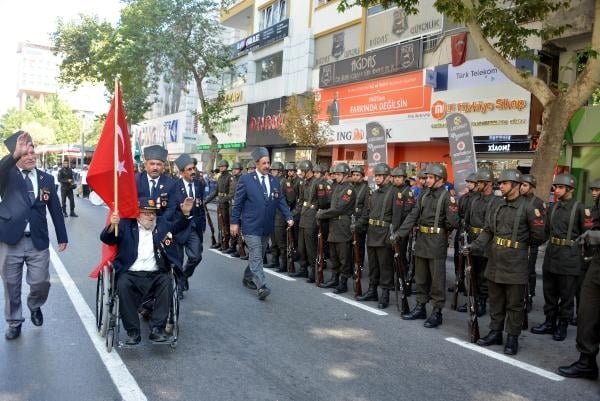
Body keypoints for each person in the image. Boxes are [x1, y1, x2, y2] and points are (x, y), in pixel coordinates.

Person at [466, 169, 547, 355]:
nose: (500, 186)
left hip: (516, 262)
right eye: (500, 183)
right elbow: (488, 231)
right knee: (495, 300)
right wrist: (474, 246)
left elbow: (539, 236)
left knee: (514, 304)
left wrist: (521, 245)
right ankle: (495, 332)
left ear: (516, 186)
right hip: (495, 259)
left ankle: (512, 337)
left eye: (504, 183)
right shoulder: (497, 206)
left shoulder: (528, 208)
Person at [0, 131, 68, 340]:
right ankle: (14, 322)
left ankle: (34, 305)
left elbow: (55, 209)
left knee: (41, 282)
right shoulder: (6, 176)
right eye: (24, 153)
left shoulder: (45, 178)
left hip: (37, 241)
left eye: (32, 152)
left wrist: (62, 236)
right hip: (10, 240)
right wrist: (12, 157)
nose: (30, 157)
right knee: (11, 286)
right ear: (16, 156)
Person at [100, 197, 193, 345]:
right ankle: (133, 332)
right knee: (122, 285)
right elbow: (106, 239)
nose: (151, 216)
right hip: (130, 273)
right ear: (137, 213)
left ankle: (157, 329)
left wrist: (186, 214)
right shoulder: (125, 225)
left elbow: (177, 227)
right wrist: (112, 224)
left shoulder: (161, 224)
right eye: (146, 213)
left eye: (153, 213)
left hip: (155, 273)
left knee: (167, 281)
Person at [395, 163, 459, 326]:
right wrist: (399, 234)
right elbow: (412, 216)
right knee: (421, 277)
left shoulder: (447, 197)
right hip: (422, 239)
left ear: (440, 179)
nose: (427, 180)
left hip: (437, 241)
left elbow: (453, 222)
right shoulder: (423, 195)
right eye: (427, 177)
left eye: (430, 177)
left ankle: (437, 312)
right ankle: (420, 306)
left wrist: (441, 231)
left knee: (437, 279)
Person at [531, 174, 592, 341]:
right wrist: (531, 242)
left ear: (570, 189)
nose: (556, 190)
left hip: (570, 257)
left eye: (560, 187)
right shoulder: (553, 207)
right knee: (549, 292)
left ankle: (562, 325)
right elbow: (545, 232)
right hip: (552, 255)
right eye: (555, 187)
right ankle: (549, 322)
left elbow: (587, 234)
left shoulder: (580, 208)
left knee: (566, 295)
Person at [230, 147, 293, 300]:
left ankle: (247, 277)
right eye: (264, 163)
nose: (267, 166)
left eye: (268, 163)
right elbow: (237, 203)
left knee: (259, 254)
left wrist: (288, 216)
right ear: (256, 164)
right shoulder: (246, 179)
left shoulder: (274, 180)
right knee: (257, 255)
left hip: (266, 226)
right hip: (251, 225)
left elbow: (281, 200)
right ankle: (261, 286)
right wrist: (234, 223)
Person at [558, 180, 600, 379]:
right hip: (596, 265)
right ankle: (587, 362)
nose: (594, 192)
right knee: (586, 314)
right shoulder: (597, 205)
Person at [356, 163, 395, 308]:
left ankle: (385, 294)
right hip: (372, 233)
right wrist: (359, 225)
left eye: (380, 176)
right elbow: (367, 213)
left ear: (388, 177)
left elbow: (397, 218)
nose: (377, 178)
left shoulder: (394, 193)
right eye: (376, 176)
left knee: (385, 266)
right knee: (373, 265)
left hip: (384, 234)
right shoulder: (375, 193)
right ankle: (372, 290)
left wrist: (392, 235)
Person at [317, 163, 356, 293]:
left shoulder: (349, 190)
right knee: (334, 254)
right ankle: (335, 278)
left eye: (339, 174)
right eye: (336, 174)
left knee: (343, 256)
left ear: (345, 176)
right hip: (333, 225)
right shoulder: (337, 187)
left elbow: (339, 208)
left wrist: (322, 214)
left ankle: (343, 282)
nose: (336, 176)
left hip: (342, 226)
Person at [173, 154, 206, 298]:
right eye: (189, 169)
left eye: (194, 168)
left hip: (193, 227)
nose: (193, 171)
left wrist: (202, 225)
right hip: (179, 228)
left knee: (196, 256)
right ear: (181, 172)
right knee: (177, 261)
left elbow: (200, 205)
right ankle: (178, 287)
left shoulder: (199, 185)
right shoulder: (174, 187)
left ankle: (183, 277)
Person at [520, 174, 546, 310]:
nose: (521, 187)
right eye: (521, 184)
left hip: (530, 245)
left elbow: (543, 227)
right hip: (518, 244)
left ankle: (528, 296)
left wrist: (534, 243)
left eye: (525, 185)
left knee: (529, 272)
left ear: (532, 187)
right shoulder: (517, 200)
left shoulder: (538, 203)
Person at [291, 160, 319, 281]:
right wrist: (291, 215)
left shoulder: (318, 183)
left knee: (310, 247)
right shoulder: (303, 183)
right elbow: (300, 201)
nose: (301, 172)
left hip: (312, 218)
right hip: (303, 216)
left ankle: (314, 271)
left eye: (302, 170)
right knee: (301, 247)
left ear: (308, 171)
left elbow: (323, 203)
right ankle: (303, 269)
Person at [135, 145, 177, 220]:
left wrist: (157, 224)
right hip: (138, 224)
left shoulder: (170, 184)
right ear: (145, 165)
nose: (155, 167)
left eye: (159, 164)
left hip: (160, 226)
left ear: (163, 166)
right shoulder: (136, 180)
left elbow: (171, 209)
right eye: (152, 164)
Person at [205, 160, 233, 251]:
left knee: (226, 224)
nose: (221, 168)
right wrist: (206, 201)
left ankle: (226, 243)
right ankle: (220, 242)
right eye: (220, 166)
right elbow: (216, 192)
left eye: (223, 166)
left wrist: (223, 200)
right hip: (220, 203)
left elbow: (231, 194)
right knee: (220, 224)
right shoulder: (220, 177)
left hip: (226, 204)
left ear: (227, 167)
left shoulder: (230, 177)